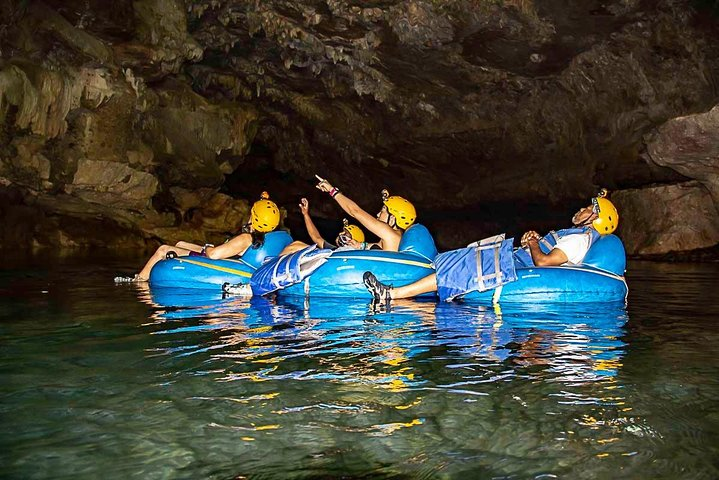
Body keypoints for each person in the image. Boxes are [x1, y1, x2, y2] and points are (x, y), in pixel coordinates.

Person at [363, 190, 619, 302]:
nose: (582, 209)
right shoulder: (574, 236)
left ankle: (393, 295)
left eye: (589, 209)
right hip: (518, 260)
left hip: (518, 267)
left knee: (464, 266)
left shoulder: (578, 239)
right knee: (463, 257)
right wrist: (536, 240)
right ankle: (412, 292)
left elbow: (544, 262)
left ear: (596, 219)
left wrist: (532, 244)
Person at [115, 192, 281, 283]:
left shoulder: (246, 238)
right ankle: (141, 278)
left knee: (163, 250)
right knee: (180, 243)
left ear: (254, 217)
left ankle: (139, 281)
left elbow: (213, 255)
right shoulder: (272, 238)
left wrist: (208, 249)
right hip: (235, 259)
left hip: (220, 260)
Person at [314, 175, 416, 252]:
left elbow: (355, 211)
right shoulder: (395, 237)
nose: (378, 214)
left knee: (297, 246)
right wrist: (359, 245)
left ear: (393, 218)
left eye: (383, 211)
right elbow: (376, 247)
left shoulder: (389, 233)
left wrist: (332, 191)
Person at [279, 198, 368, 255]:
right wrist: (306, 214)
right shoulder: (334, 250)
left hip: (334, 264)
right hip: (330, 262)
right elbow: (316, 237)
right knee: (296, 244)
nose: (341, 233)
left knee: (297, 246)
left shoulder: (354, 255)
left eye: (345, 233)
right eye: (343, 231)